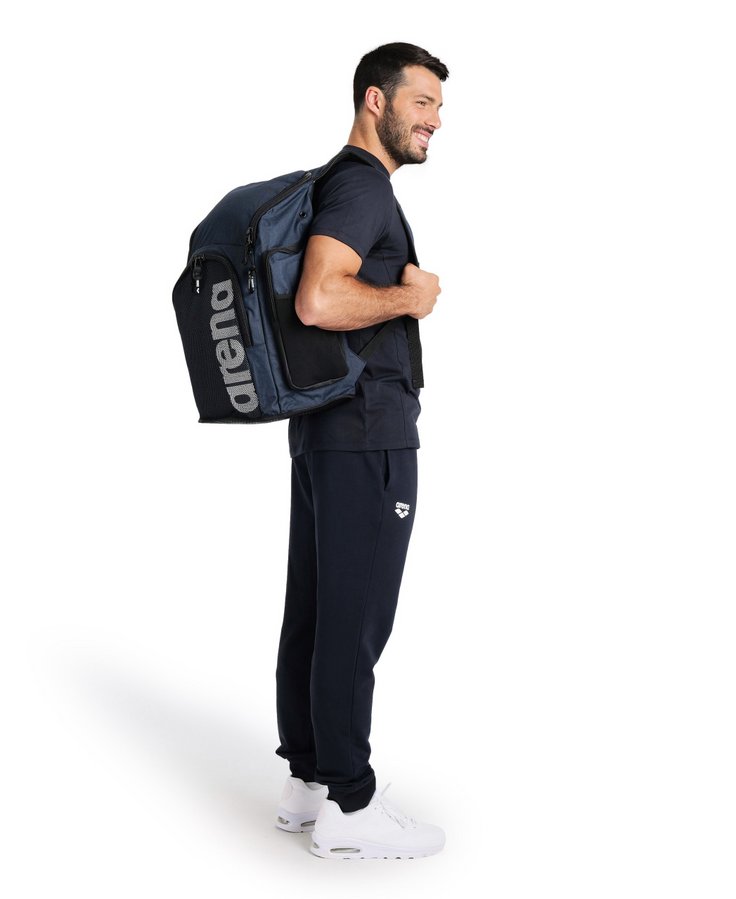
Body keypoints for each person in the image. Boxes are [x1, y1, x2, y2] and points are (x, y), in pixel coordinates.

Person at [273, 42, 449, 860]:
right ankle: (350, 799)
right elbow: (317, 298)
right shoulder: (362, 186)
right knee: (355, 617)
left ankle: (307, 782)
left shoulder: (337, 183)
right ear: (376, 100)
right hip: (367, 431)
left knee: (316, 608)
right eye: (422, 102)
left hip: (326, 430)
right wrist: (409, 296)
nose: (434, 120)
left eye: (438, 107)